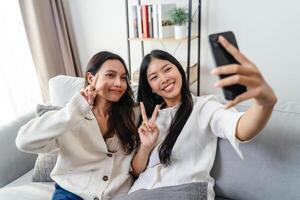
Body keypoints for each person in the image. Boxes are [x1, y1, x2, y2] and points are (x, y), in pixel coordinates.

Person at [129, 36, 277, 199]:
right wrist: (145, 147)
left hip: (184, 190)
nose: (164, 79)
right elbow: (136, 170)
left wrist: (264, 104)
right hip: (139, 192)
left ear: (179, 70)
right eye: (154, 77)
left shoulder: (204, 106)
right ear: (151, 89)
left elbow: (240, 128)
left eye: (167, 69)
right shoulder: (147, 119)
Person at [16, 51, 139, 200]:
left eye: (123, 78)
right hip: (72, 193)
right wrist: (72, 113)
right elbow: (24, 141)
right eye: (110, 75)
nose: (119, 83)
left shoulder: (133, 114)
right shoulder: (71, 115)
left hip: (117, 193)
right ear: (91, 78)